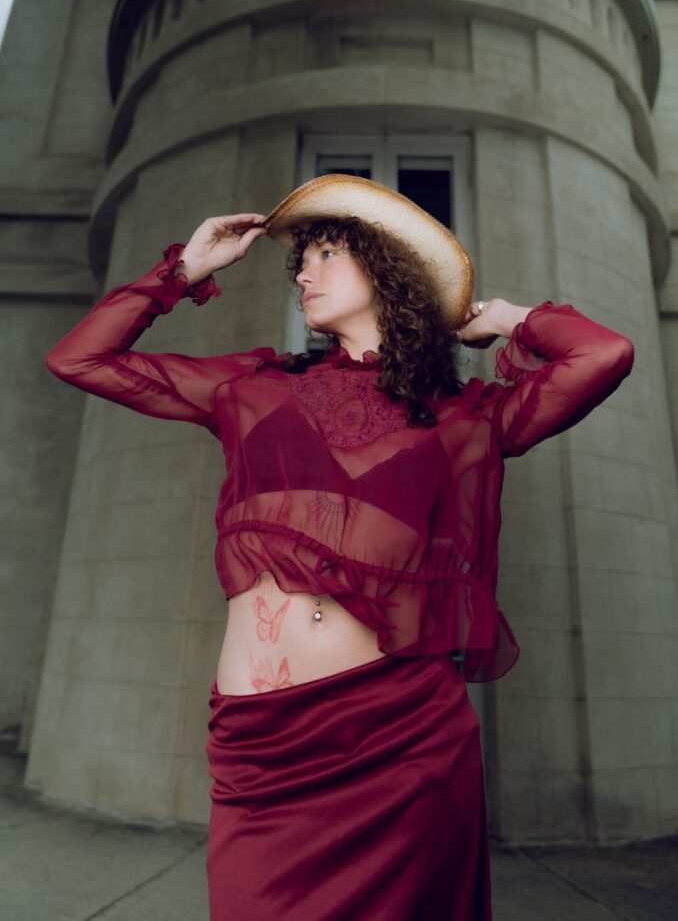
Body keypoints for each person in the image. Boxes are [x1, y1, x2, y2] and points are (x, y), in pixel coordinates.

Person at [44, 174, 635, 920]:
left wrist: (504, 318)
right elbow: (79, 359)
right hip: (262, 747)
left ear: (390, 272)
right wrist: (183, 271)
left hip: (400, 736)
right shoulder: (253, 387)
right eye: (301, 261)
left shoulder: (464, 418)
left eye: (326, 253)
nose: (303, 273)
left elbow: (604, 354)